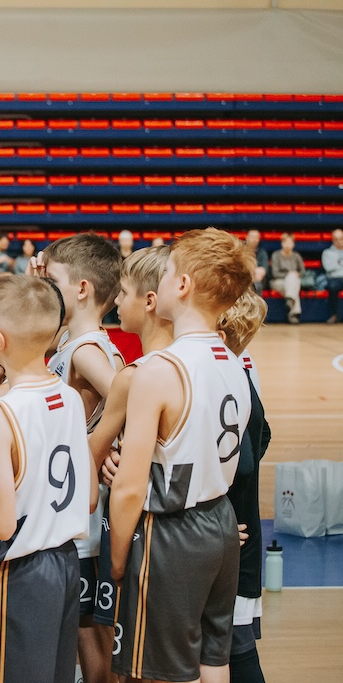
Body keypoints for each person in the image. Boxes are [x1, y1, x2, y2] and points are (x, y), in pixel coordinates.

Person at [109, 227, 254, 683]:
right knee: (213, 660)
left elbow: (129, 487)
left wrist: (117, 561)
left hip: (172, 532)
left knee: (159, 672)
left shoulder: (160, 370)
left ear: (183, 285)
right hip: (221, 523)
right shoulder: (233, 361)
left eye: (168, 271)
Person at [0, 275, 94, 683]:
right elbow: (89, 496)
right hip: (65, 564)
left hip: (17, 574)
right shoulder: (69, 397)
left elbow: (1, 525)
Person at [32, 232, 124, 683]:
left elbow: (128, 398)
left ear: (82, 288)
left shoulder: (86, 352)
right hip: (74, 505)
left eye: (53, 282)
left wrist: (110, 446)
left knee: (89, 634)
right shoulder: (77, 342)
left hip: (82, 516)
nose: (47, 290)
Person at [87, 246, 175, 640]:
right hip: (200, 528)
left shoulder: (138, 375)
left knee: (137, 655)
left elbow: (92, 456)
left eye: (123, 293)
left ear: (151, 301)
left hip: (145, 528)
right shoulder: (204, 364)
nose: (117, 302)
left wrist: (118, 561)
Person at [216, 289, 271, 683]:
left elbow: (246, 460)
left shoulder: (228, 378)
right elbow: (263, 436)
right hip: (240, 530)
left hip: (232, 534)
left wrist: (217, 514)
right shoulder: (244, 369)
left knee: (233, 649)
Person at [269, 232, 305, 324]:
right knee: (293, 284)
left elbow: (302, 271)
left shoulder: (296, 256)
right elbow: (275, 273)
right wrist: (289, 275)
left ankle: (290, 300)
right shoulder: (276, 255)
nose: (288, 245)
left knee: (293, 282)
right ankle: (293, 314)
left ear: (293, 244)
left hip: (292, 283)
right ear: (282, 243)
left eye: (290, 243)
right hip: (278, 282)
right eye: (286, 242)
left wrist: (296, 274)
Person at [321, 228, 343, 323]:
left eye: (341, 239)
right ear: (332, 240)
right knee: (332, 287)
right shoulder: (327, 253)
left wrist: (337, 263)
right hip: (334, 278)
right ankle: (334, 315)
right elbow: (328, 268)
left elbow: (333, 266)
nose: (339, 242)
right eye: (336, 239)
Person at [244, 230, 269, 294]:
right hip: (243, 278)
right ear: (247, 237)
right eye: (252, 237)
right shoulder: (240, 251)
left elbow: (263, 271)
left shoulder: (262, 253)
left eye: (256, 238)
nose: (254, 240)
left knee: (256, 284)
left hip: (257, 281)